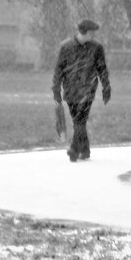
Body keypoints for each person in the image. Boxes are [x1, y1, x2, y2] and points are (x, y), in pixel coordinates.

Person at [52, 18, 111, 163]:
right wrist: (56, 90)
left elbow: (102, 69)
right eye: (91, 33)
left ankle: (74, 149)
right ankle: (85, 150)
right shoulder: (66, 47)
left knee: (80, 120)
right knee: (78, 122)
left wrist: (106, 87)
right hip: (70, 90)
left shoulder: (96, 48)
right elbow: (59, 70)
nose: (93, 36)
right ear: (83, 32)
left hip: (88, 89)